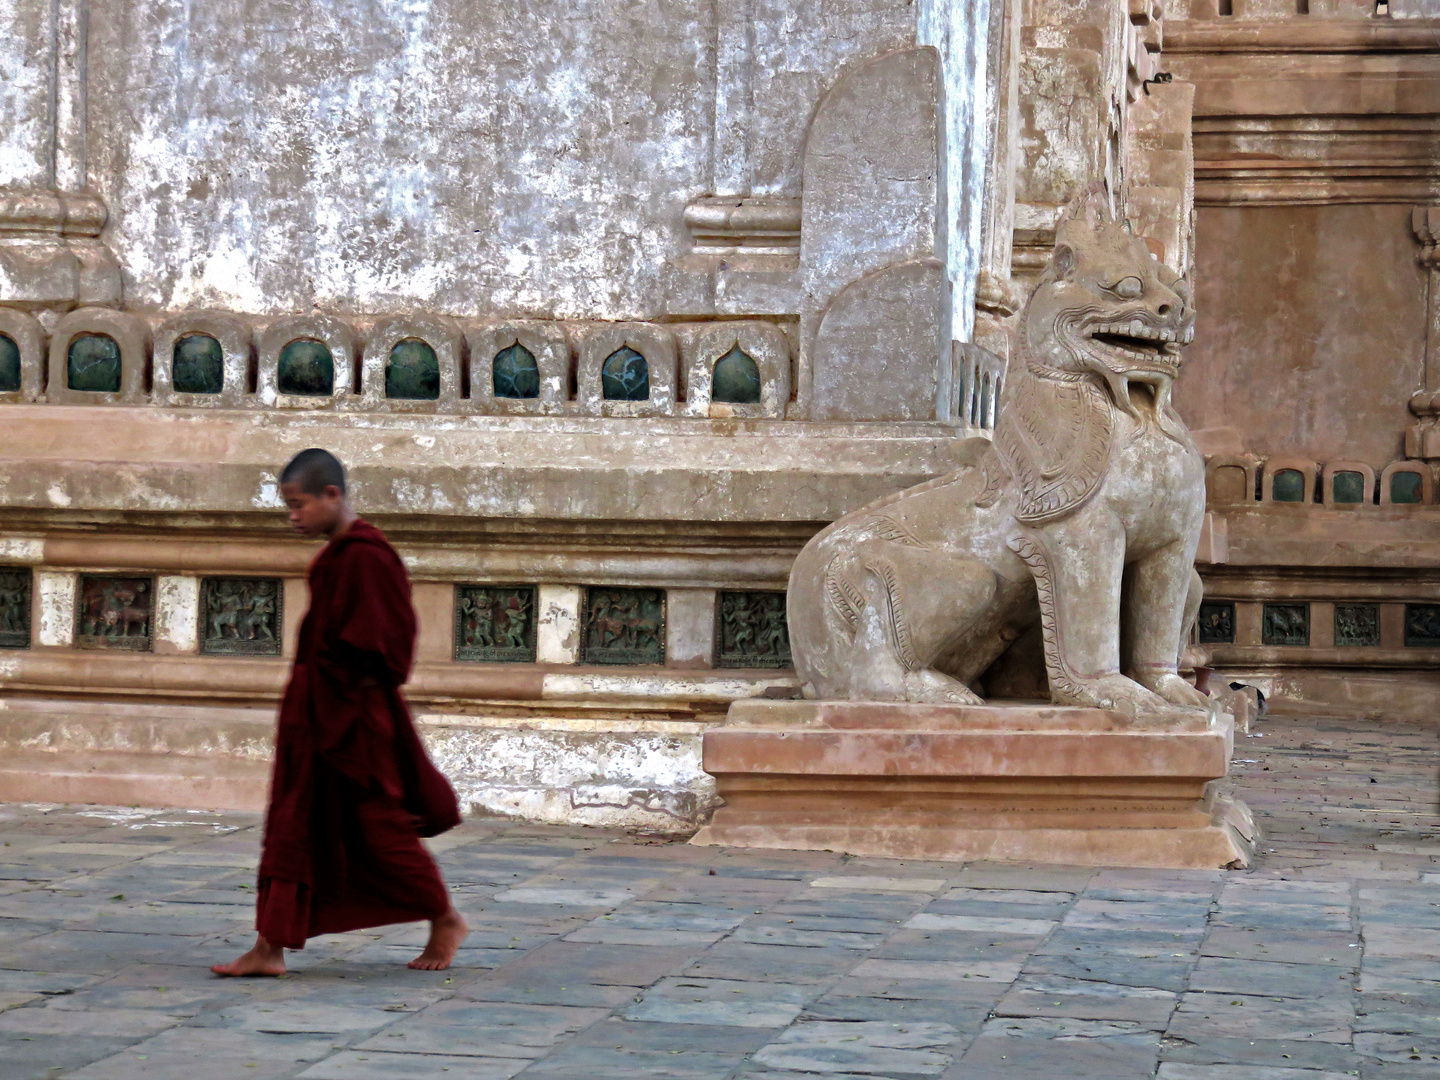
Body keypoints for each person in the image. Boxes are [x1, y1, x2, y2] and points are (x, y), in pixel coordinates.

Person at [212, 448, 468, 977]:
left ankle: (444, 918)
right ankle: (270, 946)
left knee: (381, 824)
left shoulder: (366, 557)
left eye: (298, 504)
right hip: (316, 716)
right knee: (292, 824)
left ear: (332, 495)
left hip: (352, 719)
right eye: (288, 506)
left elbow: (386, 647)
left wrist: (339, 702)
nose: (293, 516)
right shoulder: (337, 557)